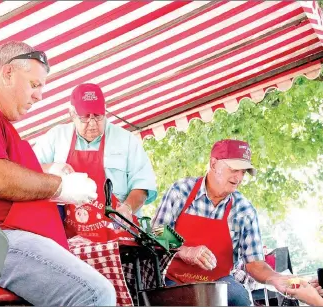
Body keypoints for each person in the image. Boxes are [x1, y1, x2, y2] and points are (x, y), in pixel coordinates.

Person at [0, 41, 116, 306]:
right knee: (94, 294)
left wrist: (48, 172)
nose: (40, 95)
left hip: (1, 238)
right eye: (34, 84)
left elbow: (5, 172)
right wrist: (60, 187)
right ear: (7, 74)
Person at [152, 139, 293, 306]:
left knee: (240, 297)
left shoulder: (244, 210)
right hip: (172, 279)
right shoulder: (181, 191)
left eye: (244, 172)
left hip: (218, 282)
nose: (239, 177)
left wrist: (274, 278)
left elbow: (255, 263)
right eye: (234, 169)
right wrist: (185, 251)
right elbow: (157, 230)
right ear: (213, 164)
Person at [33, 83, 157, 241]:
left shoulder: (126, 140)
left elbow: (143, 185)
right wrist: (52, 168)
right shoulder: (55, 138)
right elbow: (28, 171)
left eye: (98, 116)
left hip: (118, 239)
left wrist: (127, 208)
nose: (92, 124)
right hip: (68, 241)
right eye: (85, 117)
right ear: (72, 114)